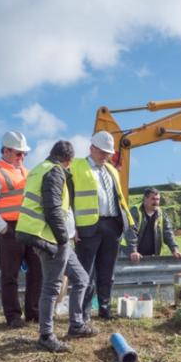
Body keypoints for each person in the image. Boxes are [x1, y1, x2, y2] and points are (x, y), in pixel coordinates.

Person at [16, 141, 95, 353]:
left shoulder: (38, 169)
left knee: (81, 278)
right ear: (68, 160)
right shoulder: (55, 171)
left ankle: (76, 325)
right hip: (50, 238)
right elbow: (52, 208)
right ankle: (46, 336)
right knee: (52, 287)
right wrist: (62, 239)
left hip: (51, 236)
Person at [69, 131, 140, 322]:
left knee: (107, 271)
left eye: (108, 153)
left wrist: (127, 224)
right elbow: (68, 198)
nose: (105, 156)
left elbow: (119, 198)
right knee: (86, 273)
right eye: (101, 152)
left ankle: (105, 308)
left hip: (112, 225)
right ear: (91, 148)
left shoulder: (112, 170)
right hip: (87, 227)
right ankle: (83, 313)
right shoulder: (76, 166)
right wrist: (71, 227)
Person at [0, 131, 42, 328]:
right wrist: (2, 227)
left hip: (28, 227)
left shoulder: (26, 172)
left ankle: (34, 313)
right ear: (6, 151)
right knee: (10, 274)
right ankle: (13, 316)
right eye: (19, 153)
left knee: (37, 270)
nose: (22, 157)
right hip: (8, 228)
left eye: (24, 154)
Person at [129, 188, 181, 259]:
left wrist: (175, 250)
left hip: (152, 256)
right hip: (132, 255)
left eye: (158, 199)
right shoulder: (135, 211)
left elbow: (168, 233)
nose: (156, 202)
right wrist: (133, 251)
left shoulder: (161, 213)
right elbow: (131, 232)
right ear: (145, 199)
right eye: (153, 199)